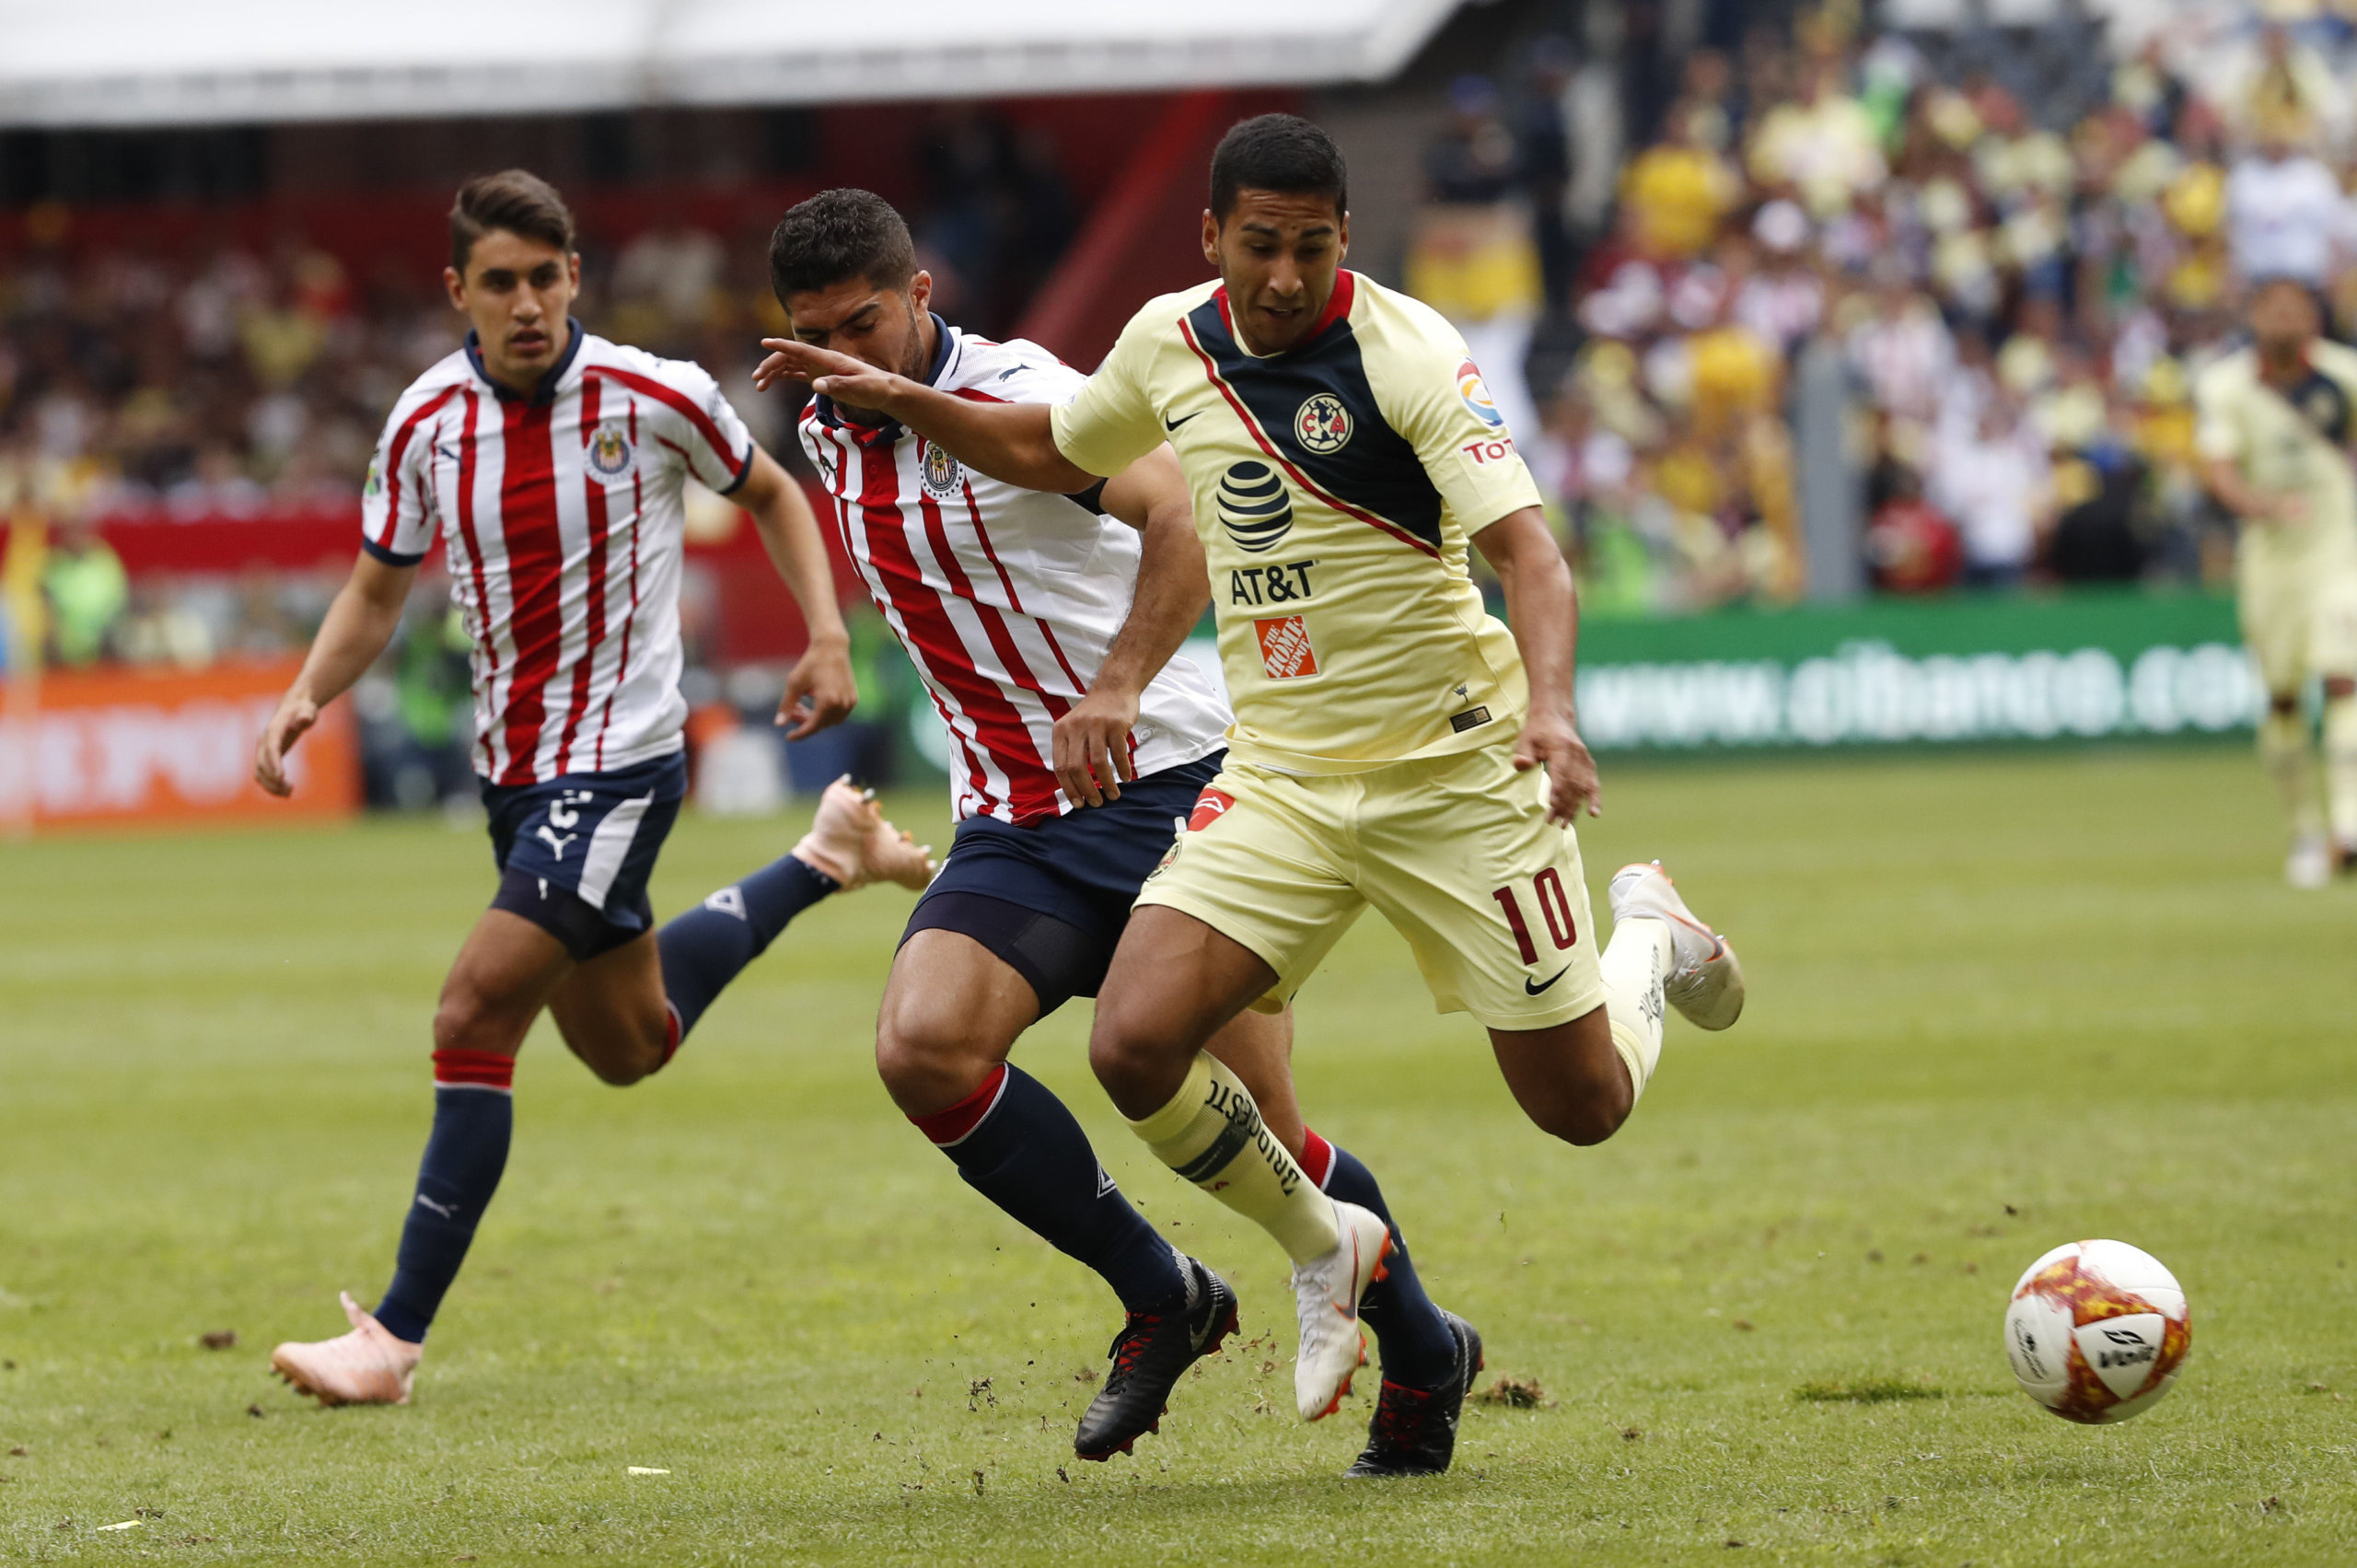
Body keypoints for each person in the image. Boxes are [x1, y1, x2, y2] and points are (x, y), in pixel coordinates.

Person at [756, 114, 1746, 1477]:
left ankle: (1642, 953)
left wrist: (1551, 708)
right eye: (1258, 245)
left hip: (1283, 766)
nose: (1283, 274)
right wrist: (868, 494)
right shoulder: (920, 403)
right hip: (1152, 797)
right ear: (1210, 239)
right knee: (998, 1045)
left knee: (1545, 1106)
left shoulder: (1391, 355)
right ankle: (1202, 1284)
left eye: (1311, 245)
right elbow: (1015, 475)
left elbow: (1498, 546)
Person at [763, 188, 1458, 1471]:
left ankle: (1424, 1354)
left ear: (922, 296)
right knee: (925, 1047)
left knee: (1266, 1125)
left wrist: (1120, 681)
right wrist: (826, 642)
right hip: (1018, 821)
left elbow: (1183, 516)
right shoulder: (826, 424)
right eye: (816, 334)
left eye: (863, 324)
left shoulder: (1027, 391)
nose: (844, 359)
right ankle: (1165, 1293)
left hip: (1167, 780)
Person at [255, 170, 934, 1407]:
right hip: (515, 776)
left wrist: (826, 633)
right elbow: (373, 585)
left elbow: (773, 492)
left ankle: (392, 1337)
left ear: (576, 278)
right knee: (630, 1043)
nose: (526, 302)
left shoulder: (654, 394)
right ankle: (828, 853)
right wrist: (311, 689)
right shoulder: (423, 423)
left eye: (545, 277)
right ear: (459, 290)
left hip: (620, 762)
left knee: (473, 1011)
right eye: (499, 281)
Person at [2195, 274, 2357, 887]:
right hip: (2270, 559)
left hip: (2337, 549)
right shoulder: (2227, 386)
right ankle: (2306, 832)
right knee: (2284, 697)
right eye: (2275, 310)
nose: (2288, 321)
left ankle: (2349, 824)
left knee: (2345, 677)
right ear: (2255, 317)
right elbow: (2221, 471)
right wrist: (2263, 505)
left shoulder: (2344, 372)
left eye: (2299, 310)